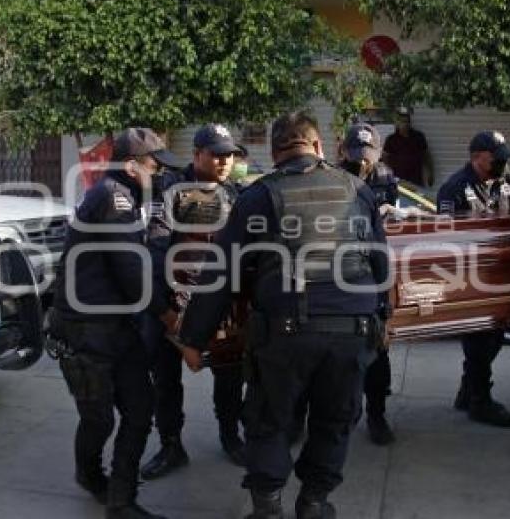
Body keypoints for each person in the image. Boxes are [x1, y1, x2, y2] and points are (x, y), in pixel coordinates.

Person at [178, 111, 391, 519]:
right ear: (320, 146)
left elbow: (220, 273)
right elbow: (381, 265)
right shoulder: (358, 189)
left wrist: (193, 340)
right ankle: (313, 502)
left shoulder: (259, 196)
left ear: (275, 152)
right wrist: (386, 318)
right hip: (353, 330)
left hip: (286, 334)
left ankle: (268, 507)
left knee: (270, 422)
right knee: (333, 421)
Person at [49, 127, 179, 519]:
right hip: (87, 328)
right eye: (154, 165)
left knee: (140, 409)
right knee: (99, 417)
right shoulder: (113, 198)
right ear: (130, 165)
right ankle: (89, 475)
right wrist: (167, 314)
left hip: (118, 325)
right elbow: (130, 270)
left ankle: (120, 500)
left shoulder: (128, 195)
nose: (158, 173)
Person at [141, 124, 246, 480]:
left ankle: (231, 436)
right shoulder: (171, 191)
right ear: (197, 154)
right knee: (165, 379)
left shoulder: (235, 193)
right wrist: (167, 312)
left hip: (220, 305)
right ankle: (171, 445)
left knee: (230, 374)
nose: (224, 161)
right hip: (173, 303)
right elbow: (155, 255)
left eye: (229, 154)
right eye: (216, 154)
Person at [291, 122, 398, 446]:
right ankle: (302, 420)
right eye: (355, 156)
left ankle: (376, 415)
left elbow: (386, 237)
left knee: (377, 359)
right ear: (342, 152)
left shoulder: (385, 178)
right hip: (333, 276)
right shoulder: (327, 179)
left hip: (370, 277)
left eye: (367, 157)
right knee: (319, 364)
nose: (361, 163)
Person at [435, 131, 510, 427]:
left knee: (496, 336)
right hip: (471, 277)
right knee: (478, 338)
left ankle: (468, 389)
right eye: (496, 159)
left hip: (504, 272)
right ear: (476, 158)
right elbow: (445, 239)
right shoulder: (454, 188)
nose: (502, 164)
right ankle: (480, 400)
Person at [381, 106, 434, 186]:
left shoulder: (418, 137)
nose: (405, 124)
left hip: (415, 180)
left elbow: (426, 156)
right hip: (397, 181)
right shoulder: (391, 139)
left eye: (407, 121)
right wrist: (387, 176)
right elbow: (385, 158)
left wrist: (430, 173)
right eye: (402, 121)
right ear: (397, 123)